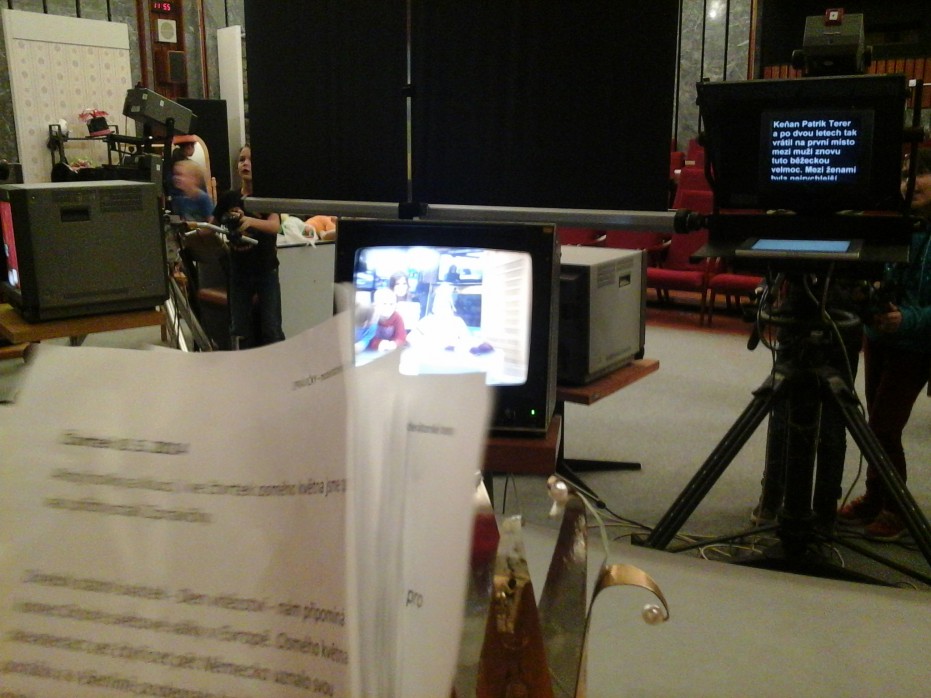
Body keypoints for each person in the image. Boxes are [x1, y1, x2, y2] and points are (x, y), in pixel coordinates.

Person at [837, 146, 931, 541]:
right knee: (873, 424)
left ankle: (896, 508)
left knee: (884, 427)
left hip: (917, 345)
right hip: (879, 336)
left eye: (921, 174)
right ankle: (876, 497)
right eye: (906, 175)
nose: (910, 183)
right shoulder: (896, 224)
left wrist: (906, 319)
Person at [211, 144, 285, 349]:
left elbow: (274, 226)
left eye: (251, 160)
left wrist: (251, 221)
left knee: (271, 328)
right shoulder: (229, 198)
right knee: (239, 329)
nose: (246, 163)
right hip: (238, 272)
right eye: (242, 159)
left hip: (266, 270)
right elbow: (210, 226)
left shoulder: (266, 197)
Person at [367, 287, 407, 352]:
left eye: (391, 304)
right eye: (384, 304)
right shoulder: (372, 317)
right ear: (375, 305)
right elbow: (367, 338)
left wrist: (394, 344)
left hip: (391, 350)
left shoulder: (397, 317)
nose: (388, 307)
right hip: (372, 351)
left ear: (396, 305)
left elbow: (401, 337)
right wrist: (378, 343)